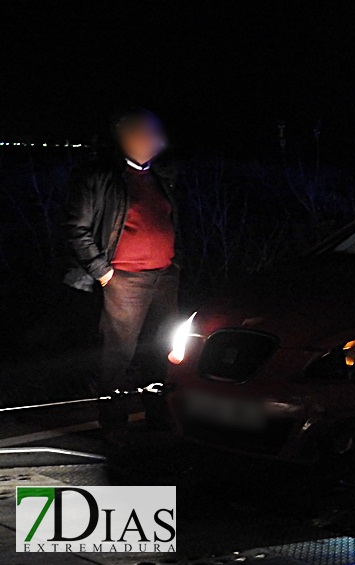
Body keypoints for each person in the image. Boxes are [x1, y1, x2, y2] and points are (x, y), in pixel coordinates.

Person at [62, 108, 180, 442]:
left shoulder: (161, 176)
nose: (152, 141)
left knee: (159, 353)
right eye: (143, 133)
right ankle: (115, 425)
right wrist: (103, 273)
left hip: (164, 278)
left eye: (154, 134)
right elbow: (75, 228)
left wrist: (175, 263)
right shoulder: (99, 176)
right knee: (116, 359)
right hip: (124, 281)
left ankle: (157, 418)